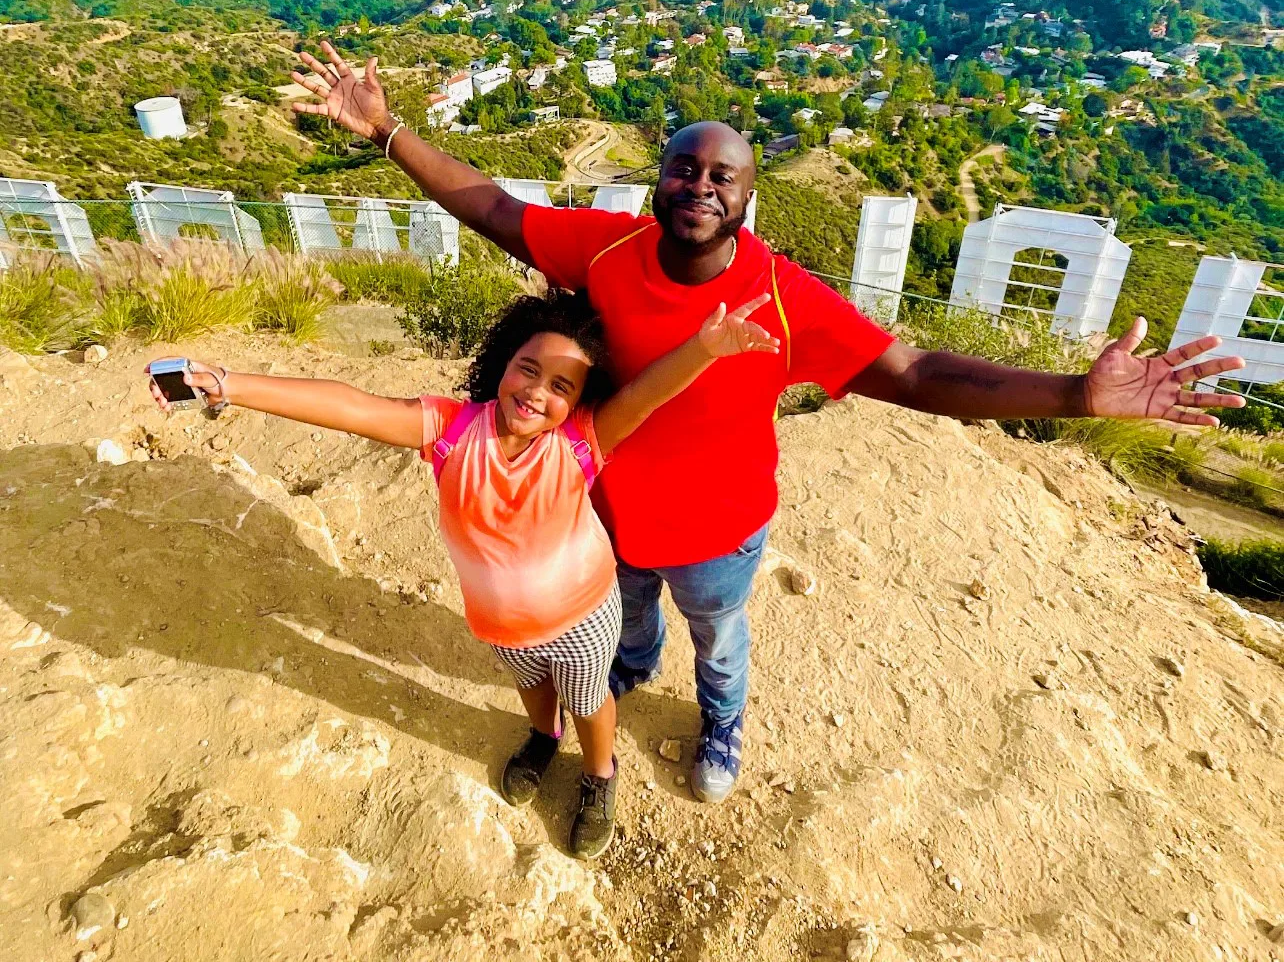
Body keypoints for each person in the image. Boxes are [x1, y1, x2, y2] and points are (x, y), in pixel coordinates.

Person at [289, 41, 1246, 803]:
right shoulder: (610, 248)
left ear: (749, 198)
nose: (700, 185)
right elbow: (495, 207)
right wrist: (387, 135)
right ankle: (626, 672)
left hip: (719, 533)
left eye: (723, 176)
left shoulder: (784, 300)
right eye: (683, 167)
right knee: (621, 624)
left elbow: (915, 371)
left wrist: (1075, 394)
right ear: (659, 179)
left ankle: (721, 723)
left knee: (720, 639)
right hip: (608, 518)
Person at [149, 284, 780, 857]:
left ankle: (599, 773)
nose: (537, 391)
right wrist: (231, 384)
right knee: (532, 689)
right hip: (499, 623)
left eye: (561, 386)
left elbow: (645, 395)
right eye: (528, 369)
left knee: (590, 700)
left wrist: (703, 349)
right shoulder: (451, 432)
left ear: (579, 401)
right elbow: (352, 406)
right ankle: (541, 737)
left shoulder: (581, 444)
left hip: (584, 619)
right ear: (504, 362)